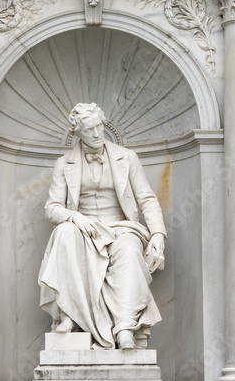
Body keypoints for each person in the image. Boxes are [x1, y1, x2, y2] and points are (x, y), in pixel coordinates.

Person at [38, 103, 166, 350]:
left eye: (99, 127)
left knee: (129, 250)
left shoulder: (127, 157)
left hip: (121, 227)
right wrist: (76, 218)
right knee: (63, 232)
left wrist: (158, 233)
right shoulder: (64, 163)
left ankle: (125, 328)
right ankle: (69, 314)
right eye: (90, 130)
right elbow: (51, 208)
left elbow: (147, 199)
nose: (98, 134)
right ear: (78, 133)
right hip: (84, 229)